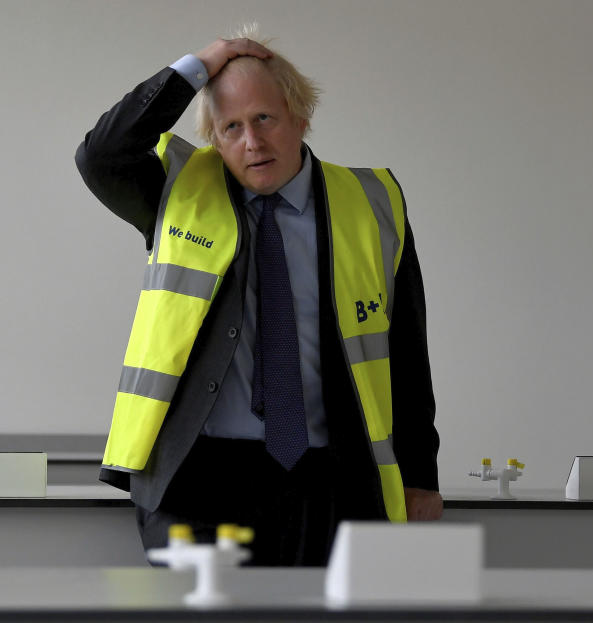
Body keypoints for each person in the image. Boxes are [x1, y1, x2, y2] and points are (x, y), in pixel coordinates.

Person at [75, 29, 441, 566]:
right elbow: (101, 155)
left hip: (330, 478)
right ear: (216, 140)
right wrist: (197, 67)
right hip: (198, 480)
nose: (252, 141)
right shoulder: (172, 193)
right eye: (231, 127)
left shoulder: (372, 203)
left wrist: (420, 476)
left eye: (264, 119)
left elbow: (406, 351)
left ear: (300, 115)